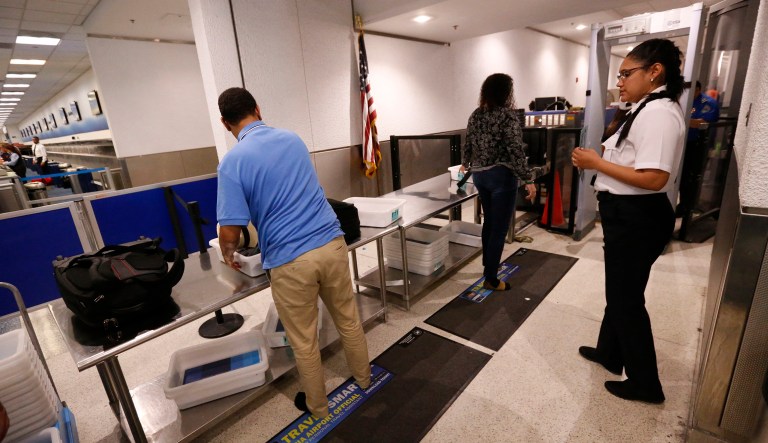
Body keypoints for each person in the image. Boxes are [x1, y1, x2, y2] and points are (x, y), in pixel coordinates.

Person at [215, 87, 371, 418]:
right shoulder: (292, 139)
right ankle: (365, 378)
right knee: (347, 318)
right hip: (331, 242)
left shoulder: (232, 162)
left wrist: (229, 253)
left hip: (290, 259)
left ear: (225, 123)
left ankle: (317, 408)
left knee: (303, 340)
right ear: (258, 108)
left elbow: (230, 228)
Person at [572, 38, 686, 403]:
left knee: (626, 301)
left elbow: (655, 178)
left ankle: (646, 384)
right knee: (620, 292)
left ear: (655, 72)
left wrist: (596, 162)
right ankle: (610, 352)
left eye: (626, 74)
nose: (619, 82)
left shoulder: (658, 113)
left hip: (639, 218)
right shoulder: (642, 108)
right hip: (627, 216)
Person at [461, 73, 536, 291]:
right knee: (499, 227)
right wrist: (528, 179)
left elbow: (467, 144)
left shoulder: (476, 114)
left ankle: (488, 266)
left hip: (480, 176)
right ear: (506, 93)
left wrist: (467, 163)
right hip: (501, 177)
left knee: (490, 223)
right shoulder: (507, 116)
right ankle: (491, 278)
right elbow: (515, 150)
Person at [677, 81, 720, 215]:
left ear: (698, 89)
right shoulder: (683, 101)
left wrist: (681, 121)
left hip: (697, 145)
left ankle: (688, 206)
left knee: (691, 176)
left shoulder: (708, 103)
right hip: (681, 144)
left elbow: (701, 123)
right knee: (681, 175)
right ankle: (682, 205)